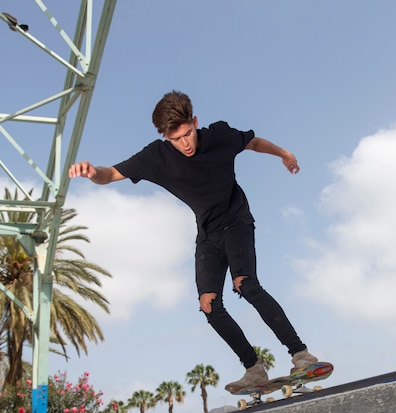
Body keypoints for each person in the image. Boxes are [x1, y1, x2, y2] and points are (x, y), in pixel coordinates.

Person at [68, 90, 319, 392]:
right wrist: (92, 171)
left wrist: (284, 154)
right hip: (208, 234)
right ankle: (254, 369)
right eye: (176, 139)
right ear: (165, 136)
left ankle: (301, 356)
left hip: (236, 220)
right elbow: (110, 174)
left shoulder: (219, 136)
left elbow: (252, 142)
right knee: (209, 305)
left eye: (188, 134)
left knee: (245, 284)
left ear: (195, 122)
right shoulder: (156, 157)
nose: (185, 143)